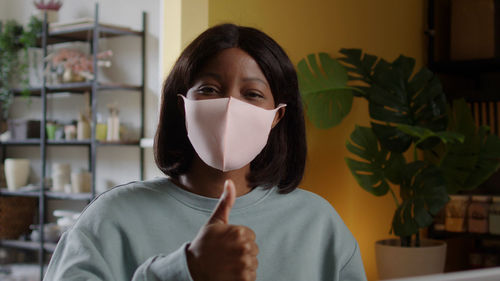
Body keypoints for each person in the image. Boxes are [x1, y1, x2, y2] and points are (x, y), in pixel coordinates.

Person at [44, 23, 367, 281]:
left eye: (252, 94)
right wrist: (184, 271)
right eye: (209, 89)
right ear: (182, 104)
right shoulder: (112, 218)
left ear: (276, 116)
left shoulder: (317, 223)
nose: (230, 107)